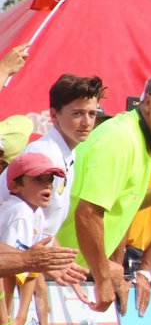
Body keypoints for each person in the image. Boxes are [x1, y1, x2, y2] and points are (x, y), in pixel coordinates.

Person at [59, 73, 151, 313]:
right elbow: (88, 214)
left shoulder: (145, 138)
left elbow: (122, 203)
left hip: (75, 272)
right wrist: (103, 275)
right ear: (147, 102)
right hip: (63, 271)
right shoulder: (121, 137)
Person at [0, 74, 104, 240]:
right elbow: (17, 221)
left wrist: (61, 261)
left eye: (92, 114)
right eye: (77, 114)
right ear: (54, 116)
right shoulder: (44, 154)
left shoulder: (67, 153)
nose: (87, 122)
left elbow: (44, 225)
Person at [0, 153, 65, 325]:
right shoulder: (20, 214)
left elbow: (30, 268)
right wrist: (5, 323)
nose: (47, 186)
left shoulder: (35, 213)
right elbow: (2, 270)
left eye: (50, 180)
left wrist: (20, 316)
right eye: (38, 179)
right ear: (15, 186)